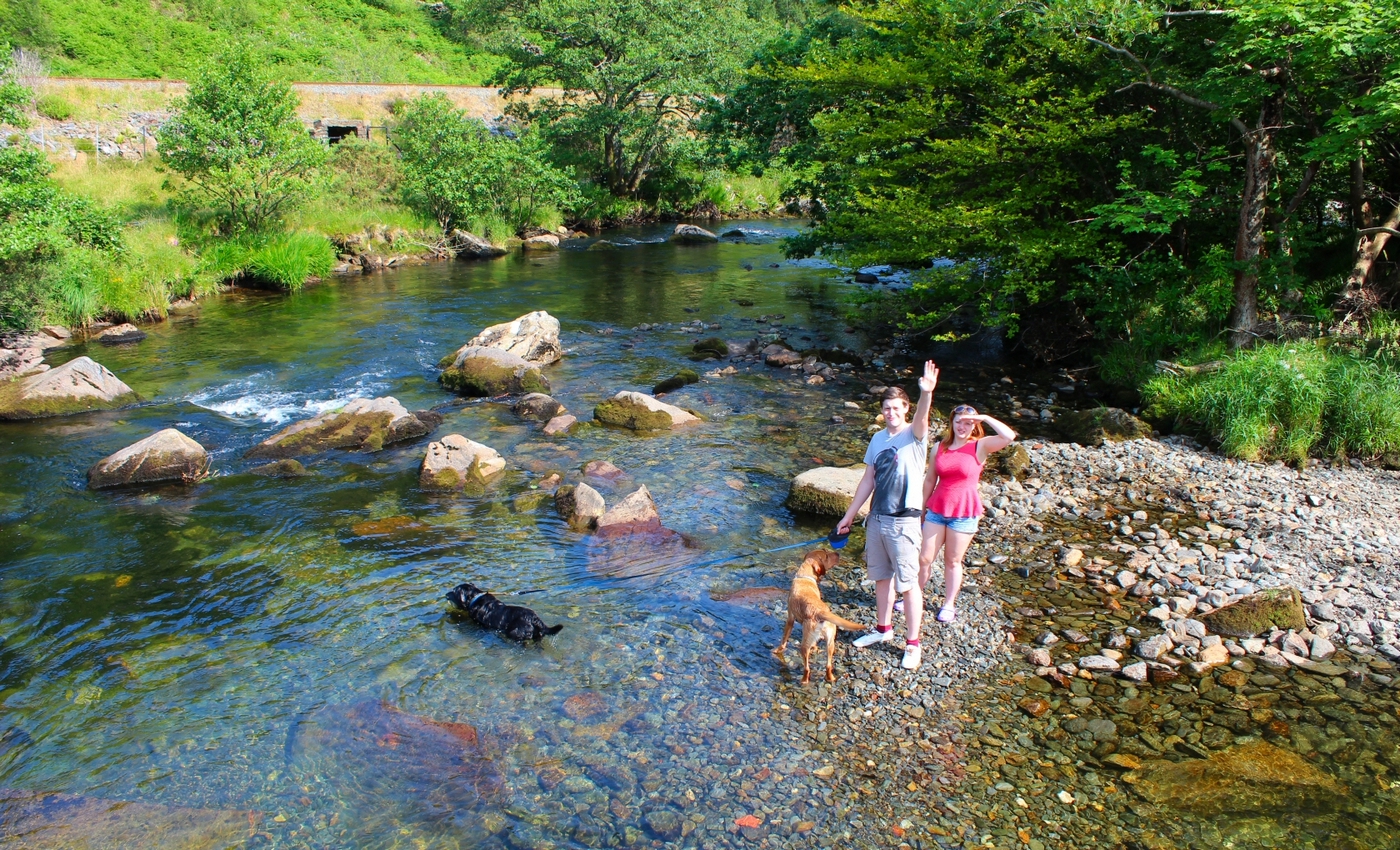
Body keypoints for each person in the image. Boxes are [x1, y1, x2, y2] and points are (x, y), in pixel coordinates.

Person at [836, 361, 937, 670]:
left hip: (904, 521)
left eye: (896, 408)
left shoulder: (915, 435)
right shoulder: (877, 439)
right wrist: (849, 515)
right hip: (877, 520)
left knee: (908, 585)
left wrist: (926, 392)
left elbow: (922, 416)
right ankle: (883, 630)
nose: (891, 412)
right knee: (881, 578)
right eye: (887, 408)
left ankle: (913, 643)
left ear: (905, 409)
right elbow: (868, 480)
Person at [919, 404, 1016, 623]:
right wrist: (922, 509)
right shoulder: (939, 447)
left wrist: (984, 416)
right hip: (937, 509)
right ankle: (915, 596)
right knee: (924, 558)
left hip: (964, 512)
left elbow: (1009, 436)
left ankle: (948, 604)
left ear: (975, 426)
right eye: (959, 421)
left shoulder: (980, 446)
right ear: (951, 423)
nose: (962, 426)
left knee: (952, 560)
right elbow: (929, 480)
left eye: (968, 423)